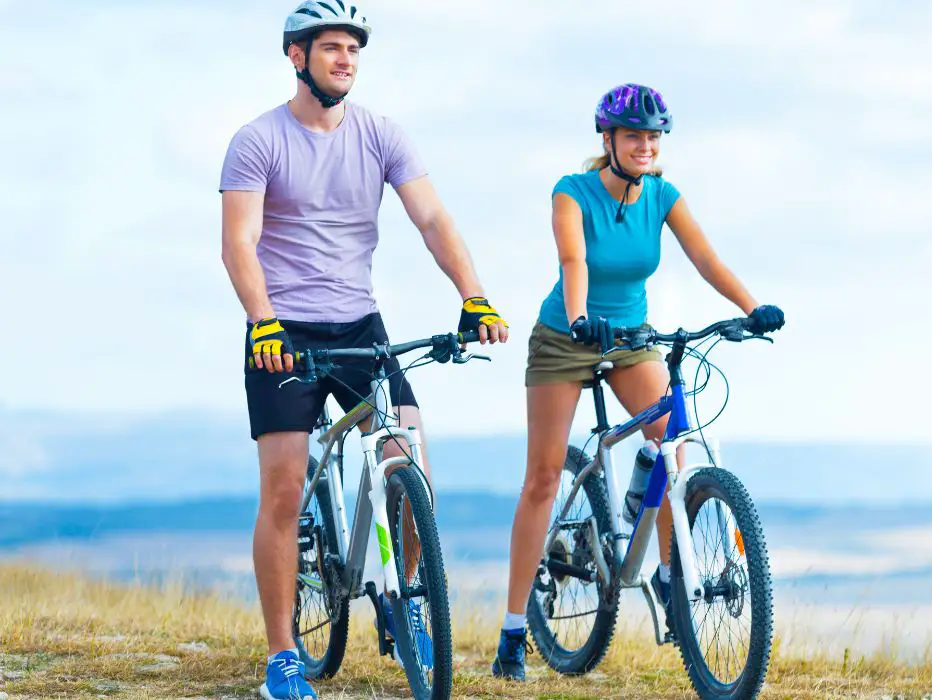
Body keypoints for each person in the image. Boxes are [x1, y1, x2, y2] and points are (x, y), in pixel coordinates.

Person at [218, 3, 508, 698]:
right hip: (282, 329)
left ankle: (408, 598)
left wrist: (473, 294)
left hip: (359, 328)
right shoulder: (258, 140)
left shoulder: (381, 134)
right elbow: (239, 243)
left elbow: (432, 217)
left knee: (411, 464)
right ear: (297, 57)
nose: (345, 59)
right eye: (331, 48)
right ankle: (284, 658)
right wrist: (262, 321)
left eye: (353, 48)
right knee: (285, 492)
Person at [490, 82, 785, 680]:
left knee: (673, 441)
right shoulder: (571, 192)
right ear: (608, 140)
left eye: (653, 137)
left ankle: (670, 576)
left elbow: (706, 259)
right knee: (544, 478)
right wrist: (578, 317)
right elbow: (574, 260)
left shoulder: (662, 195)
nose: (646, 145)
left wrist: (754, 307)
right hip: (565, 336)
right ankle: (514, 632)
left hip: (630, 336)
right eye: (634, 136)